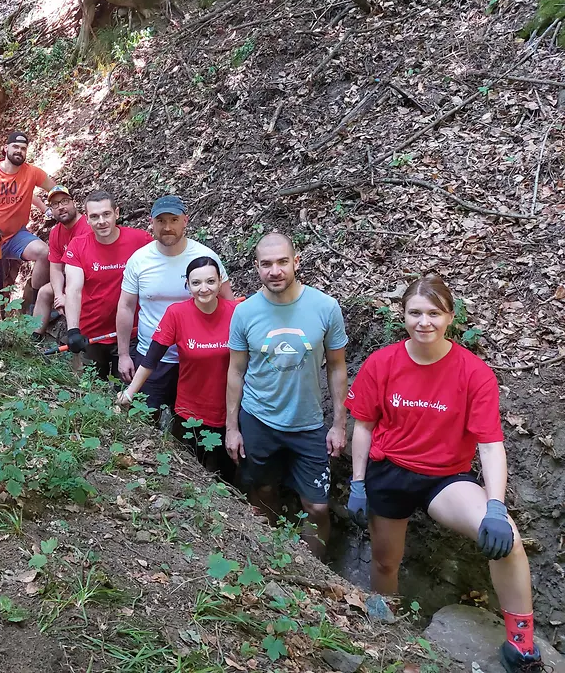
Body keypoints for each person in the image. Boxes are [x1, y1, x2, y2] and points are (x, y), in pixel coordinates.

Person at [345, 275, 542, 673]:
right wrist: (358, 481)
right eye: (415, 313)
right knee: (386, 562)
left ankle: (521, 644)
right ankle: (386, 629)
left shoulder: (474, 373)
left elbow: (489, 445)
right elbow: (363, 426)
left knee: (508, 539)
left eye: (434, 313)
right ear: (402, 316)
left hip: (445, 478)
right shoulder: (381, 364)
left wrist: (494, 505)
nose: (424, 322)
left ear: (450, 316)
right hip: (390, 471)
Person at [223, 232, 348, 560]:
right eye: (266, 264)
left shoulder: (325, 308)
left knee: (317, 506)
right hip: (258, 419)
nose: (274, 270)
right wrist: (232, 428)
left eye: (281, 262)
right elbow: (235, 371)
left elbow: (336, 367)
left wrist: (338, 424)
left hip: (307, 422)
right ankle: (272, 562)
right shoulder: (245, 312)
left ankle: (315, 573)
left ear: (296, 262)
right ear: (257, 267)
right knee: (262, 491)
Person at [117, 257, 242, 481]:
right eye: (196, 283)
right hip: (189, 413)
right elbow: (151, 359)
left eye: (211, 281)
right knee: (189, 476)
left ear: (220, 281)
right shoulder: (177, 314)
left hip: (230, 413)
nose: (204, 289)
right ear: (188, 285)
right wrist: (130, 392)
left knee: (226, 478)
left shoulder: (237, 312)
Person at [116, 195, 231, 417]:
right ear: (151, 222)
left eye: (174, 220)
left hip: (200, 358)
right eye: (161, 221)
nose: (167, 227)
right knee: (145, 420)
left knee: (193, 424)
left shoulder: (206, 258)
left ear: (185, 221)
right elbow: (126, 307)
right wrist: (123, 355)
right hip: (152, 357)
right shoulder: (140, 260)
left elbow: (227, 305)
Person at [62, 190, 151, 379]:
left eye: (106, 214)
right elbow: (73, 290)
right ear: (86, 219)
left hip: (131, 333)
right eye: (94, 216)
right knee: (92, 393)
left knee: (128, 394)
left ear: (116, 213)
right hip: (91, 334)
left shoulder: (140, 240)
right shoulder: (78, 246)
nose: (101, 221)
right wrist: (73, 330)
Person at [0, 131, 55, 299]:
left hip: (16, 235)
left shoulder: (32, 173)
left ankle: (32, 298)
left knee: (44, 253)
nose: (19, 151)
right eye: (15, 146)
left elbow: (55, 189)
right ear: (6, 148)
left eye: (23, 148)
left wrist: (60, 206)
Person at [33, 186, 91, 339]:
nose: (61, 207)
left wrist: (68, 294)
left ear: (74, 203)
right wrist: (59, 295)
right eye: (55, 204)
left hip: (89, 278)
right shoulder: (55, 232)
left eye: (64, 201)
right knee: (45, 292)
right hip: (69, 277)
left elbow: (88, 268)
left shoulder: (88, 227)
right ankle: (34, 336)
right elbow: (56, 268)